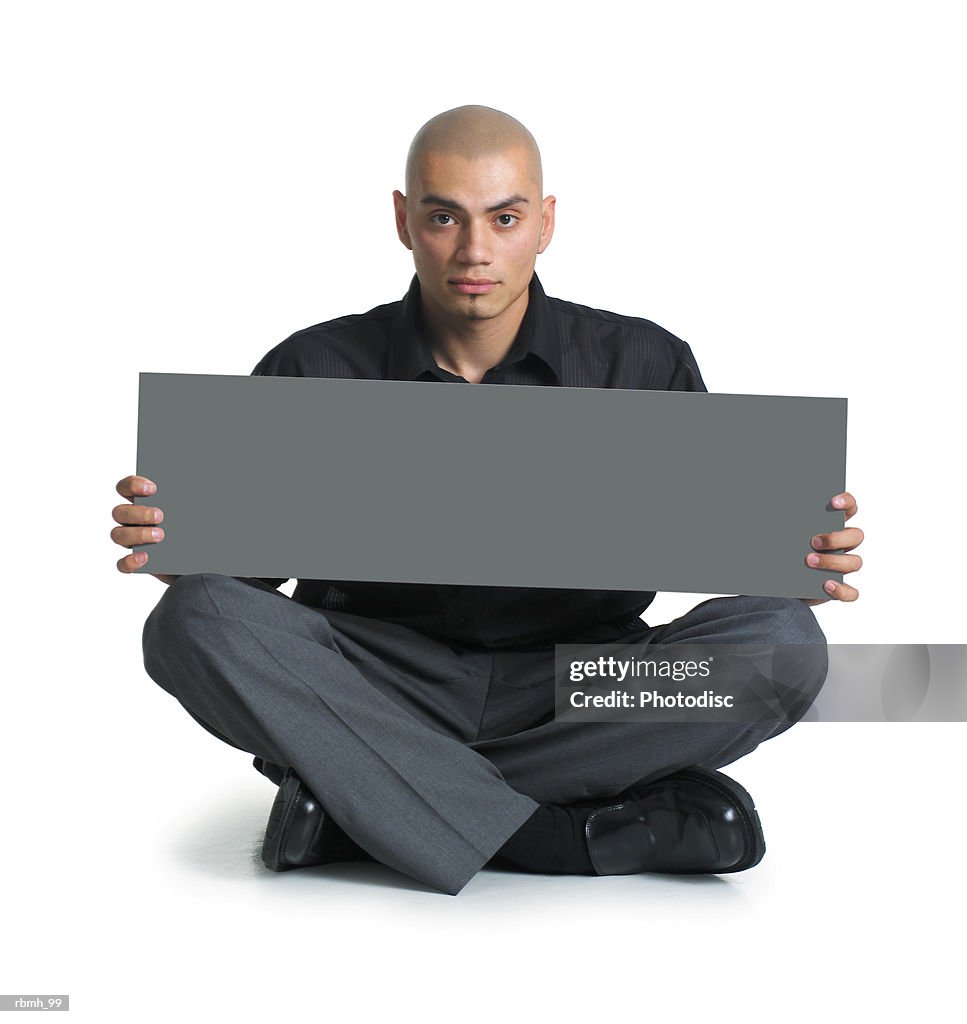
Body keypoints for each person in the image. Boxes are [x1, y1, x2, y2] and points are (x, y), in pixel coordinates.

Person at [112, 105, 864, 896]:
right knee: (194, 620)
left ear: (543, 224)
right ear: (404, 221)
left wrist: (799, 551)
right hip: (377, 682)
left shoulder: (642, 360)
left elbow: (724, 541)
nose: (474, 251)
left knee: (782, 643)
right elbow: (240, 599)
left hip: (578, 688)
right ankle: (548, 836)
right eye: (444, 217)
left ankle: (367, 805)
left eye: (503, 218)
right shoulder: (312, 363)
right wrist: (187, 550)